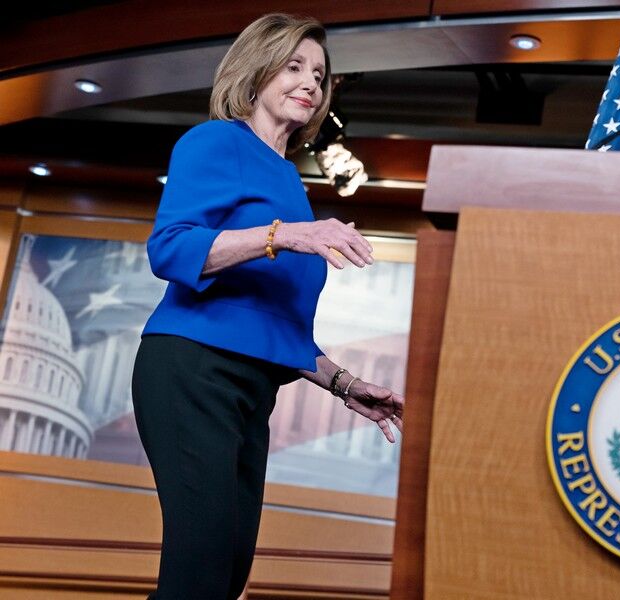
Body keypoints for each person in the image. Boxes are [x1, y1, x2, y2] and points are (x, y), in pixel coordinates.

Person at [131, 13, 405, 600]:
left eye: (320, 74)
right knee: (199, 575)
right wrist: (286, 235)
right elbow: (171, 247)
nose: (311, 82)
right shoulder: (216, 142)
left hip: (252, 393)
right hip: (192, 371)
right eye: (294, 66)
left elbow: (271, 323)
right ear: (255, 73)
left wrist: (341, 383)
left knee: (227, 574)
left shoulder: (287, 180)